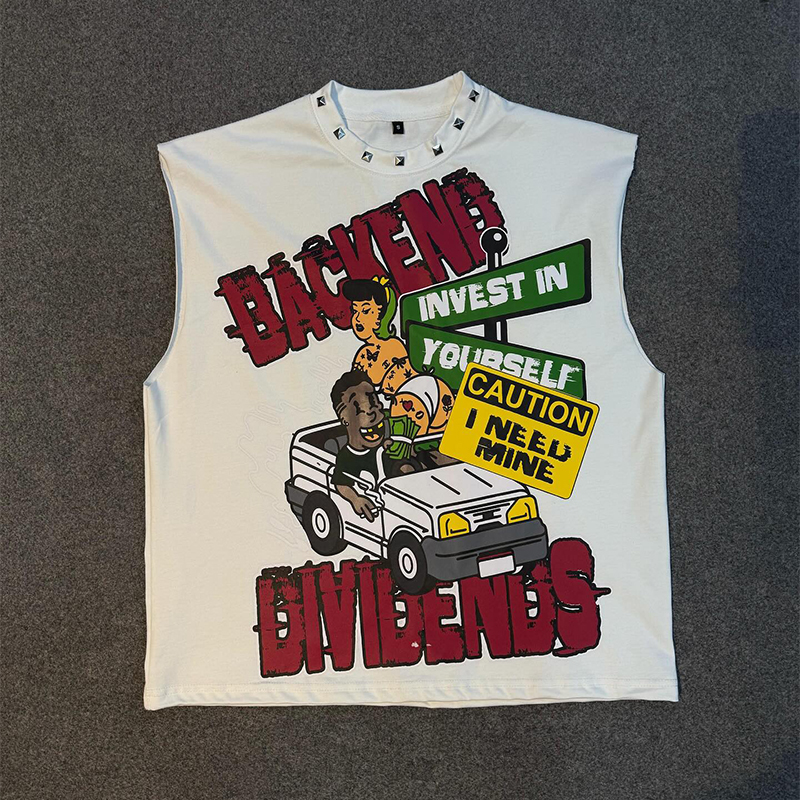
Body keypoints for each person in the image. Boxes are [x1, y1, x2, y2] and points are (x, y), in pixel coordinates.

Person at [343, 277, 414, 398]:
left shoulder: (394, 346)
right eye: (355, 311)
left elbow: (410, 385)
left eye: (365, 311)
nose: (357, 318)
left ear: (380, 316)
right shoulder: (362, 355)